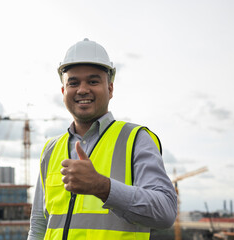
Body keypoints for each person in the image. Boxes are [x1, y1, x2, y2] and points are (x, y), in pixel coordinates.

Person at [28, 38, 177, 240]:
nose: (82, 89)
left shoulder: (136, 139)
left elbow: (165, 212)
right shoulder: (51, 149)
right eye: (73, 82)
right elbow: (39, 223)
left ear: (110, 89)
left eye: (93, 81)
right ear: (63, 91)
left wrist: (102, 187)